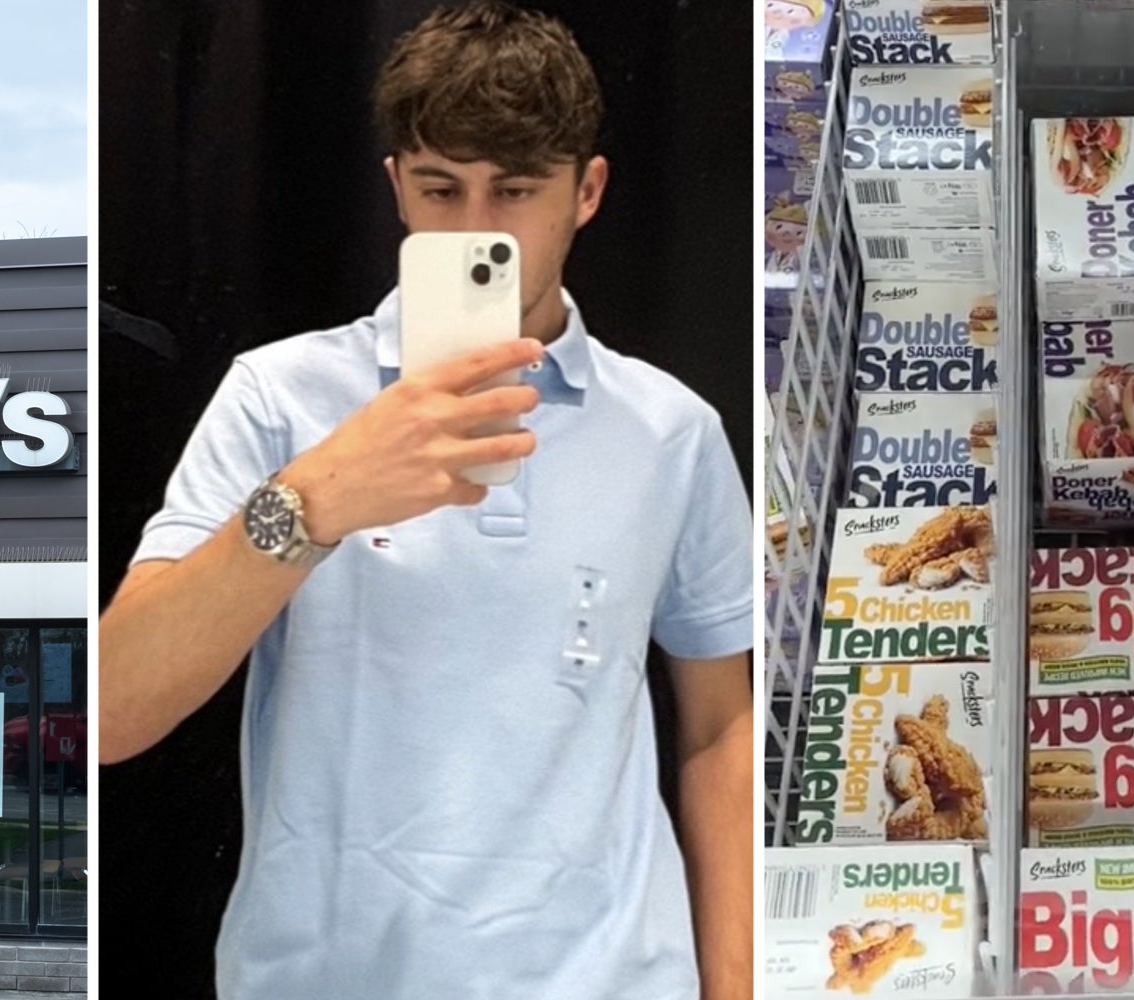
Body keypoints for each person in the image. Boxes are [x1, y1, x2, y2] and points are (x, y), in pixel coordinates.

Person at [98, 2, 754, 998]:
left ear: (587, 192)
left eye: (515, 191)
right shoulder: (280, 400)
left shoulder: (670, 430)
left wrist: (733, 985)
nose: (474, 229)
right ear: (395, 187)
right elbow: (108, 712)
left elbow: (717, 727)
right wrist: (310, 502)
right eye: (441, 188)